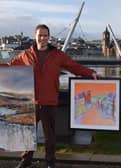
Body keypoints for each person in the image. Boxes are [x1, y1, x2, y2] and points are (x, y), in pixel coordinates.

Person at [2, 24, 98, 168]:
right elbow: (10, 67)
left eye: (45, 35)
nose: (43, 38)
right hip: (30, 100)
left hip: (49, 100)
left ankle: (50, 162)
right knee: (28, 133)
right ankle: (26, 160)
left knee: (50, 136)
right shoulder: (26, 55)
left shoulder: (58, 55)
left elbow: (74, 66)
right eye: (40, 35)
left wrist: (90, 73)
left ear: (49, 37)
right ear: (35, 36)